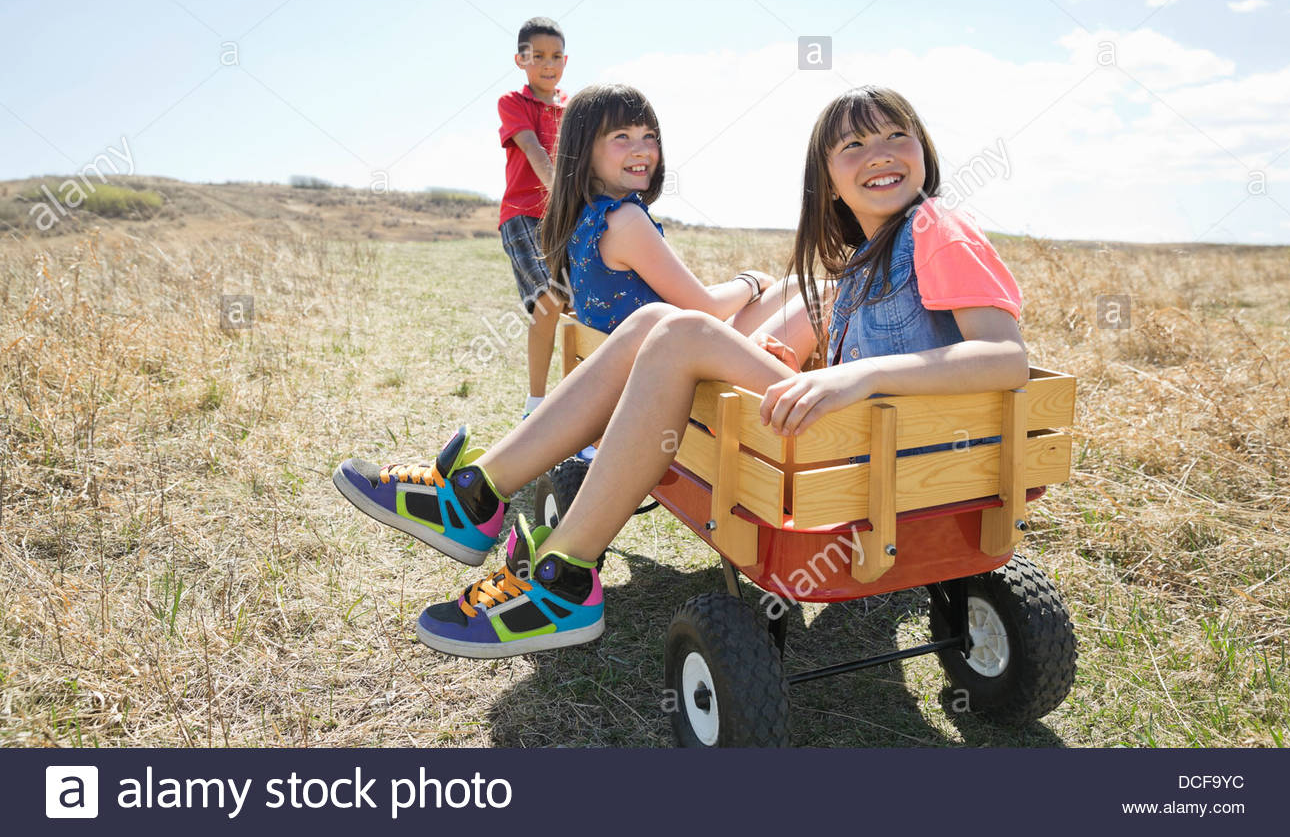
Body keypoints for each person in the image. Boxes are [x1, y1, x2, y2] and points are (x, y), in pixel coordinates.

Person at [333, 85, 1029, 659]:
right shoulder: (866, 256)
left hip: (871, 446)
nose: (879, 155)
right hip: (842, 443)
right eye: (854, 144)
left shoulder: (937, 226)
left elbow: (1007, 358)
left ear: (924, 152)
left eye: (895, 137)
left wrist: (856, 379)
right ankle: (474, 495)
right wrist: (798, 349)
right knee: (649, 325)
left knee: (680, 329)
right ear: (827, 176)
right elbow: (801, 333)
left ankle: (558, 574)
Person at [539, 82, 790, 338]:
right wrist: (752, 281)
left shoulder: (585, 218)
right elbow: (708, 309)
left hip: (637, 361)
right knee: (800, 291)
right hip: (666, 368)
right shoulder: (623, 220)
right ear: (584, 150)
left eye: (649, 136)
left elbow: (689, 299)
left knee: (785, 295)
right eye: (621, 137)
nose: (642, 150)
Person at [496, 16, 569, 419]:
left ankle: (580, 406)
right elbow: (533, 150)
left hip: (565, 218)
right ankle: (535, 405)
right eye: (538, 55)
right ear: (520, 60)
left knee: (579, 305)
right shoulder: (513, 103)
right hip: (525, 215)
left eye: (556, 56)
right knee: (548, 299)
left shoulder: (573, 108)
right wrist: (560, 194)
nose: (548, 63)